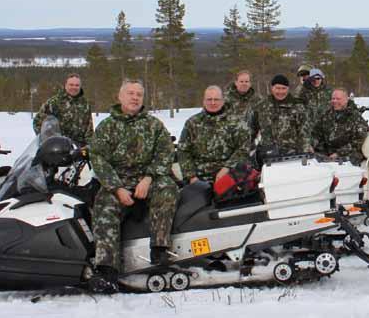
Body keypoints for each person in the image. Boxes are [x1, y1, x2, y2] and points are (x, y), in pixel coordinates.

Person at [88, 80, 178, 294]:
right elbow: (98, 159)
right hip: (118, 182)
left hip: (147, 179)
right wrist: (117, 188)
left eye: (139, 94)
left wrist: (148, 178)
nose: (135, 97)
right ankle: (107, 269)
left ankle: (159, 247)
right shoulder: (107, 126)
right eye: (130, 93)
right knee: (103, 207)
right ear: (120, 97)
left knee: (168, 188)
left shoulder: (154, 125)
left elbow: (166, 153)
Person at [179, 86, 252, 183]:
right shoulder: (192, 123)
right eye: (209, 99)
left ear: (222, 101)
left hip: (229, 174)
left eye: (216, 99)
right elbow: (183, 151)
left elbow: (243, 149)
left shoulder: (236, 122)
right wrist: (191, 176)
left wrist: (227, 168)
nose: (213, 103)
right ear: (204, 101)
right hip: (199, 177)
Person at [250, 75, 310, 158]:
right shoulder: (261, 106)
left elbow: (304, 134)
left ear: (288, 89)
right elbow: (252, 131)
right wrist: (246, 151)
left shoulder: (297, 106)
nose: (280, 92)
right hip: (267, 155)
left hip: (292, 155)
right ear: (272, 88)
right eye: (277, 88)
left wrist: (304, 154)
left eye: (283, 88)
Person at [32, 73, 94, 146]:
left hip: (78, 148)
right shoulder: (54, 102)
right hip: (58, 147)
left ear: (80, 86)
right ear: (65, 85)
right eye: (71, 84)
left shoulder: (85, 104)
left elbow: (89, 129)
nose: (74, 87)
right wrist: (48, 141)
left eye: (77, 85)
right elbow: (38, 122)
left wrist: (90, 147)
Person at [311, 88, 369, 164]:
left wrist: (338, 153)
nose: (335, 101)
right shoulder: (326, 115)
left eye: (338, 99)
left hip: (348, 154)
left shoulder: (355, 117)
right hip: (327, 152)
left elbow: (358, 141)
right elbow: (316, 133)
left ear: (346, 100)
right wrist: (311, 145)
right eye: (333, 99)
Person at [299, 68, 333, 133]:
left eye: (318, 78)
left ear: (322, 78)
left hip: (326, 126)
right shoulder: (304, 91)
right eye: (313, 79)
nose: (316, 81)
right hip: (310, 127)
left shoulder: (328, 91)